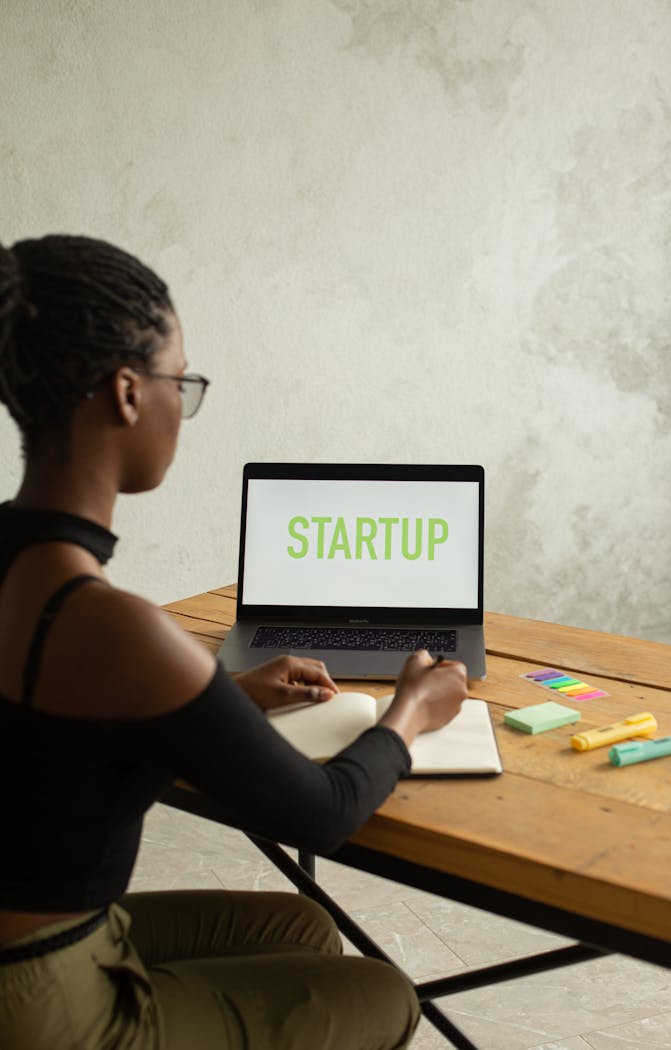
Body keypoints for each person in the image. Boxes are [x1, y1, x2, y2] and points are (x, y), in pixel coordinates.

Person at [0, 234, 469, 1050]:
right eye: (180, 381)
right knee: (385, 993)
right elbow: (321, 816)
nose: (184, 404)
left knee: (303, 927)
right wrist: (410, 714)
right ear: (125, 393)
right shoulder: (112, 622)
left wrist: (226, 699)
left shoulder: (18, 563)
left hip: (29, 940)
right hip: (46, 998)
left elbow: (52, 743)